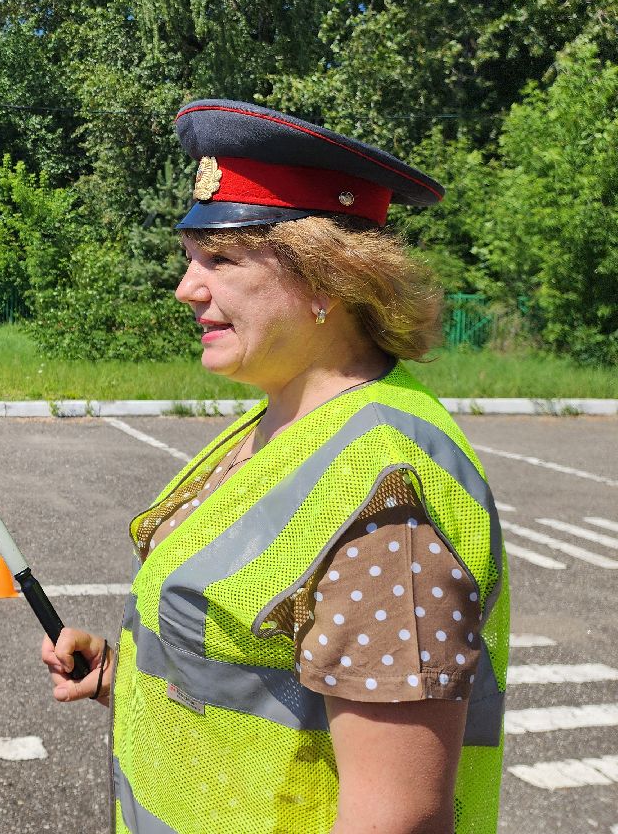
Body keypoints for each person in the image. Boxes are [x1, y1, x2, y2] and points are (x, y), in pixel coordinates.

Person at [42, 100, 508, 834]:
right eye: (191, 257)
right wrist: (120, 676)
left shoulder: (383, 492)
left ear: (329, 278)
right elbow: (263, 675)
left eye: (220, 260)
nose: (186, 288)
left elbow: (400, 820)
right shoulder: (287, 416)